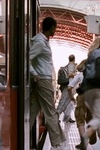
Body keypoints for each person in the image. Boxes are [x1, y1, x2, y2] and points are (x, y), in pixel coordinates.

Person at [29, 17, 66, 150]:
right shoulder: (40, 42)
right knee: (51, 113)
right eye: (55, 28)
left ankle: (24, 139)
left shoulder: (42, 41)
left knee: (32, 112)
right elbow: (27, 59)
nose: (55, 31)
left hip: (41, 81)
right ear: (51, 28)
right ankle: (56, 144)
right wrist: (35, 74)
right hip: (43, 81)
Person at [67, 59, 97, 149]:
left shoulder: (81, 74)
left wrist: (71, 97)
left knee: (80, 119)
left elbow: (69, 87)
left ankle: (83, 141)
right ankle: (92, 134)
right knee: (91, 118)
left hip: (82, 96)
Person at [57, 54, 77, 123]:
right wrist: (77, 74)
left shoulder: (67, 65)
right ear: (74, 59)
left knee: (67, 102)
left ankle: (68, 117)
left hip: (66, 85)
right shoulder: (71, 65)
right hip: (67, 85)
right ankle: (56, 116)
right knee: (64, 101)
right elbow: (70, 74)